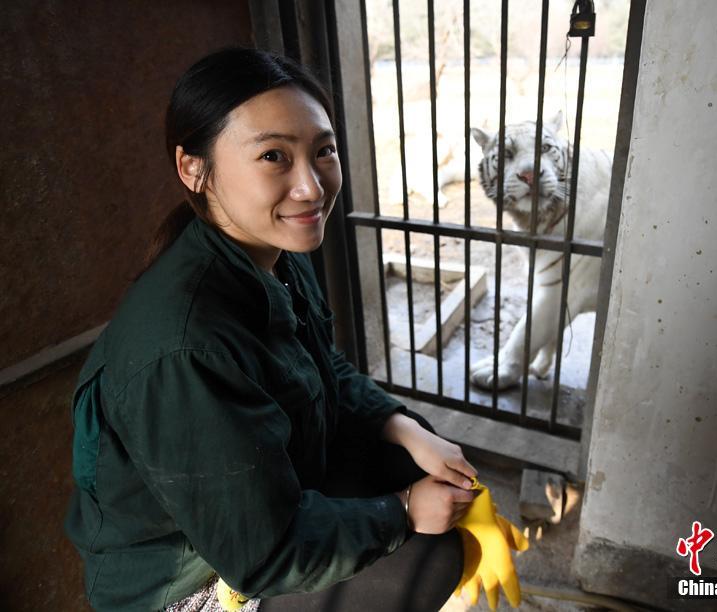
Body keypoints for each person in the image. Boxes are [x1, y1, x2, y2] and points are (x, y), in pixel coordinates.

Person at [65, 47, 478, 612]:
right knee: (427, 557)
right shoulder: (185, 348)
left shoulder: (271, 251)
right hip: (187, 580)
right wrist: (404, 509)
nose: (310, 187)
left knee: (419, 461)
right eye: (273, 156)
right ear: (194, 168)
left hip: (263, 494)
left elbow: (318, 364)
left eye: (323, 150)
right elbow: (264, 553)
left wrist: (401, 426)